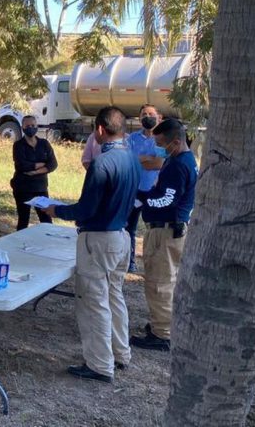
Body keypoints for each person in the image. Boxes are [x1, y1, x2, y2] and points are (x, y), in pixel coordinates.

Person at [43, 106, 141, 383]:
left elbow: (86, 209)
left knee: (93, 301)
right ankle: (120, 353)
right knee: (114, 296)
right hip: (122, 236)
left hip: (99, 239)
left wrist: (56, 210)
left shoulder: (102, 163)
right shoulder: (132, 159)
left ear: (99, 129)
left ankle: (99, 365)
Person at [130, 119, 197, 352]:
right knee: (167, 281)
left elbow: (167, 199)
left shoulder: (179, 165)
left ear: (175, 142)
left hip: (166, 231)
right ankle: (163, 323)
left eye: (160, 144)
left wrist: (143, 200)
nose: (157, 148)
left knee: (159, 283)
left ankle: (162, 334)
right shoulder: (183, 159)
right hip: (173, 229)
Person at [125, 104, 166, 273]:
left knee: (155, 229)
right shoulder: (132, 138)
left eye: (151, 114)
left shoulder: (162, 139)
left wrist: (139, 159)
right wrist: (148, 158)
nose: (147, 117)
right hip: (134, 189)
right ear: (139, 118)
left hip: (155, 191)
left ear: (159, 117)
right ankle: (129, 261)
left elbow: (158, 164)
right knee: (129, 228)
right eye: (144, 114)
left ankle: (155, 265)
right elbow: (127, 160)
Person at [11, 115, 58, 230]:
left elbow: (53, 164)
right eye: (27, 126)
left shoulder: (44, 143)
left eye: (33, 125)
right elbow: (21, 166)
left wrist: (35, 172)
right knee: (23, 220)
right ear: (22, 127)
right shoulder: (18, 145)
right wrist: (40, 164)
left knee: (46, 219)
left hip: (40, 188)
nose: (30, 128)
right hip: (22, 188)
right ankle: (20, 241)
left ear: (37, 126)